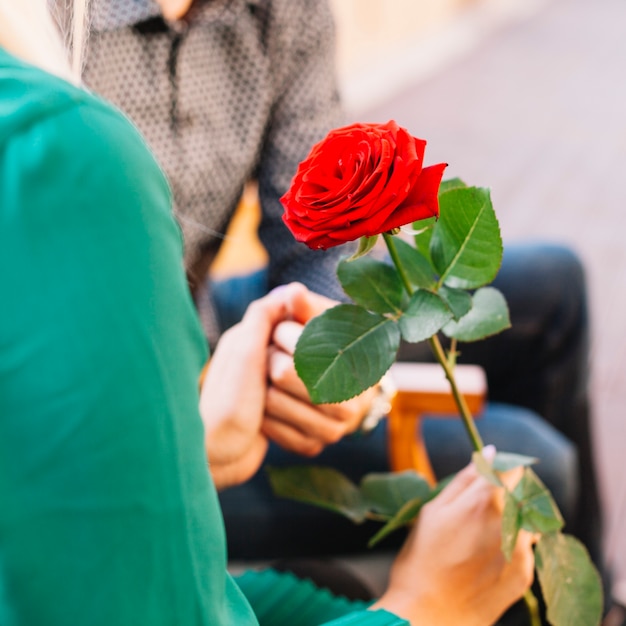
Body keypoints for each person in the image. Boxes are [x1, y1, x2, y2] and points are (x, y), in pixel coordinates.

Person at [0, 2, 536, 623]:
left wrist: (322, 351)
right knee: (530, 463)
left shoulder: (281, 14)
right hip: (163, 393)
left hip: (197, 356)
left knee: (553, 289)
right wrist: (426, 607)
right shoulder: (67, 151)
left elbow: (319, 242)